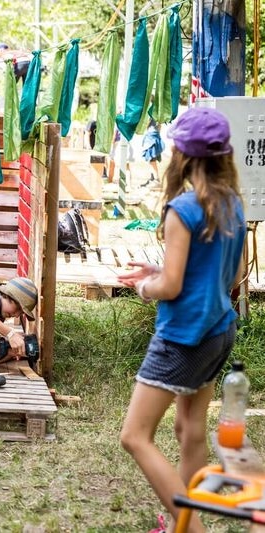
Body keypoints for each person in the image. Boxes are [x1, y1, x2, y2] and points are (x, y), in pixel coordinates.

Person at [117, 107, 246, 533]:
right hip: (218, 331)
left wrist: (144, 286)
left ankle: (190, 528)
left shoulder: (184, 208)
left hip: (183, 337)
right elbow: (226, 273)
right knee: (190, 429)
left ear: (182, 156)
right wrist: (158, 273)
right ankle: (185, 523)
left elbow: (171, 288)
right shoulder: (232, 206)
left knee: (134, 435)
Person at [141, 119, 165, 187]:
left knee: (152, 160)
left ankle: (156, 179)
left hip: (152, 137)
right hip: (153, 135)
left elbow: (147, 122)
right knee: (151, 159)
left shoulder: (154, 113)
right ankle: (153, 178)